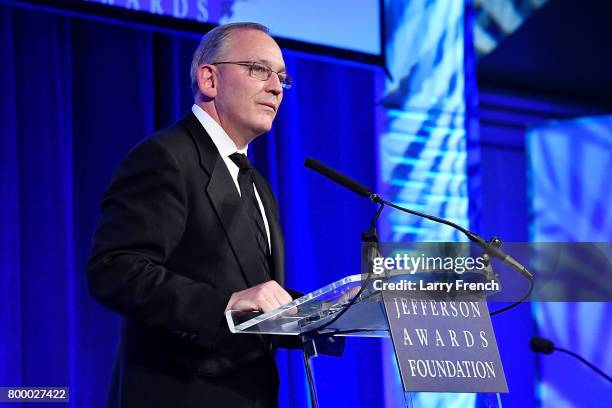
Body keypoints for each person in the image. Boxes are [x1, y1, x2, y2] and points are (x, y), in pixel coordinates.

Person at [87, 22, 298, 407]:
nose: (275, 87)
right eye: (258, 69)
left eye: (282, 78)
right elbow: (115, 269)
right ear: (209, 79)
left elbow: (254, 293)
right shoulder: (165, 158)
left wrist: (332, 308)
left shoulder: (257, 185)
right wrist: (224, 305)